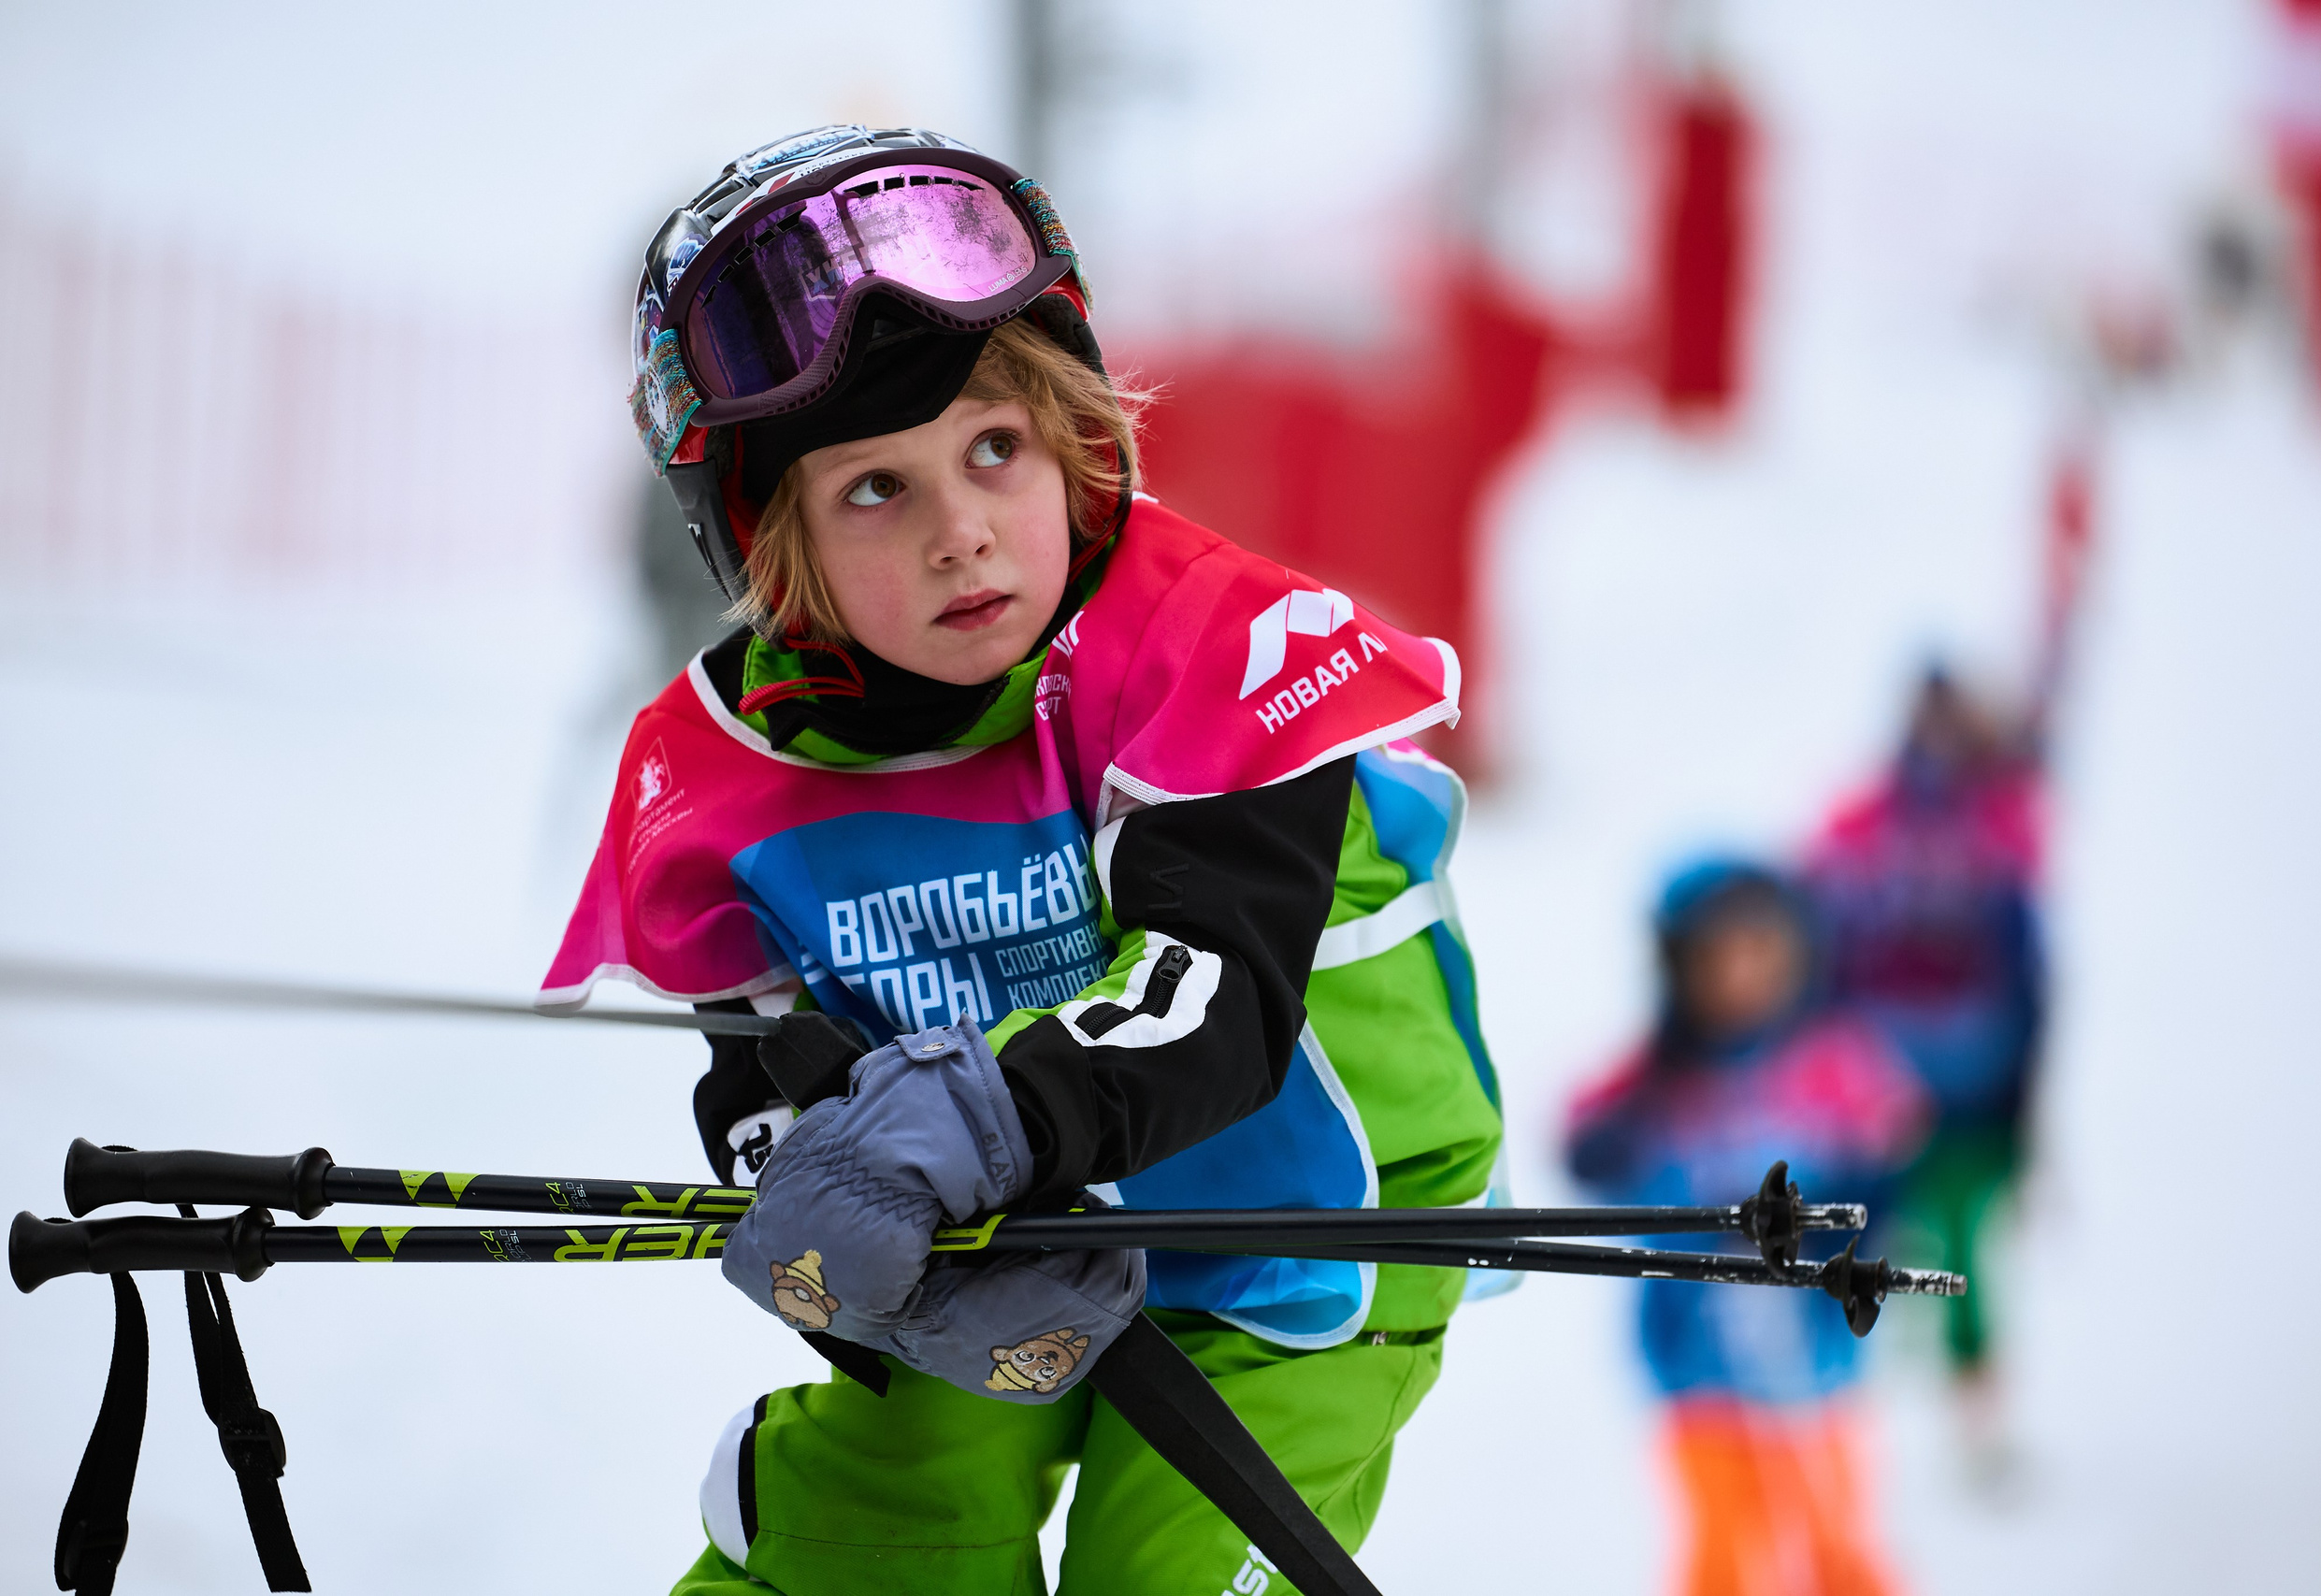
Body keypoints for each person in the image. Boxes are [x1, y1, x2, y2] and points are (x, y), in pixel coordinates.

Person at [541, 126, 1506, 1594]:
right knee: (872, 1523)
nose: (960, 535)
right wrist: (860, 1245)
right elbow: (763, 1085)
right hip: (1008, 1236)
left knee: (1167, 1569)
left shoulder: (1213, 646)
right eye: (876, 489)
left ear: (1072, 442)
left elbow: (1212, 997)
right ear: (768, 537)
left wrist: (973, 1131)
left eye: (994, 451)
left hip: (1305, 1226)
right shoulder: (727, 768)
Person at [1566, 860, 1925, 1596]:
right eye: (1713, 958)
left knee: (1835, 1532)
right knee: (1725, 1546)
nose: (1738, 977)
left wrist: (1826, 1226)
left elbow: (1897, 1151)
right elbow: (1586, 1146)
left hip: (1814, 1364)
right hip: (1696, 1364)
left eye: (1760, 951)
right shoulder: (1659, 1075)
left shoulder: (1833, 1060)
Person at [1802, 668, 2045, 1470]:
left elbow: (2029, 976)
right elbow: (1816, 945)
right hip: (1884, 1088)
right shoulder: (1872, 826)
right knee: (1866, 1240)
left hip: (1969, 1090)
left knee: (1963, 1249)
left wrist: (2023, 1109)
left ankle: (1969, 1411)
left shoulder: (1998, 827)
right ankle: (1834, 1413)